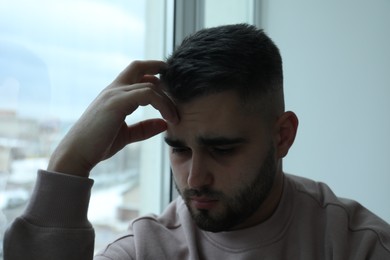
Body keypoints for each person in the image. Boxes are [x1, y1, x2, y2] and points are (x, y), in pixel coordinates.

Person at [3, 24, 390, 259]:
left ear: (282, 135)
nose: (194, 179)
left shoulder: (358, 247)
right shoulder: (144, 250)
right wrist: (69, 166)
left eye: (222, 149)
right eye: (179, 149)